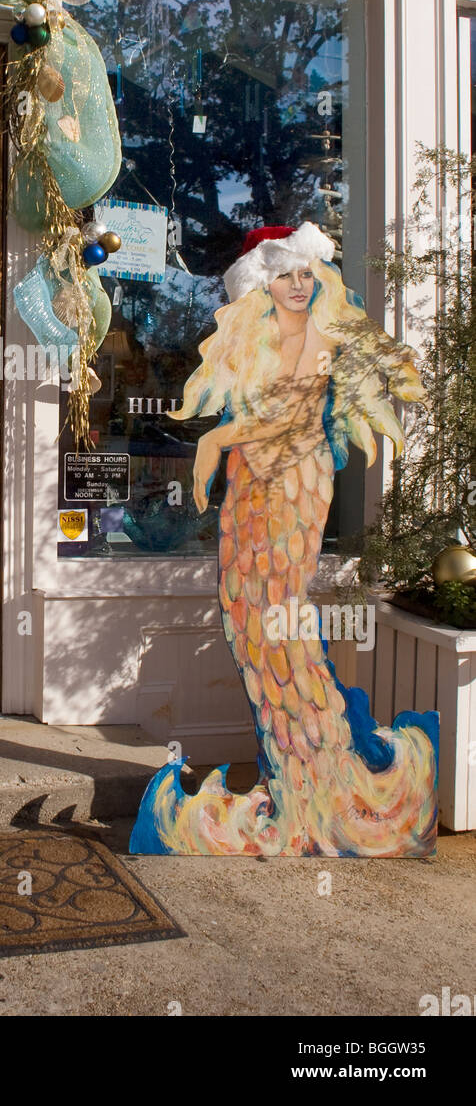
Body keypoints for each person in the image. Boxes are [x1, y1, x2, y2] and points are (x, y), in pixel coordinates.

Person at [129, 223, 438, 857]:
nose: (298, 285)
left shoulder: (329, 328)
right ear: (260, 283)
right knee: (250, 617)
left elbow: (301, 411)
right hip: (252, 479)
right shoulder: (257, 335)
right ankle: (303, 786)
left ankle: (322, 785)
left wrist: (214, 441)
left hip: (294, 480)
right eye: (283, 274)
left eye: (305, 273)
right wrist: (224, 441)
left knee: (273, 621)